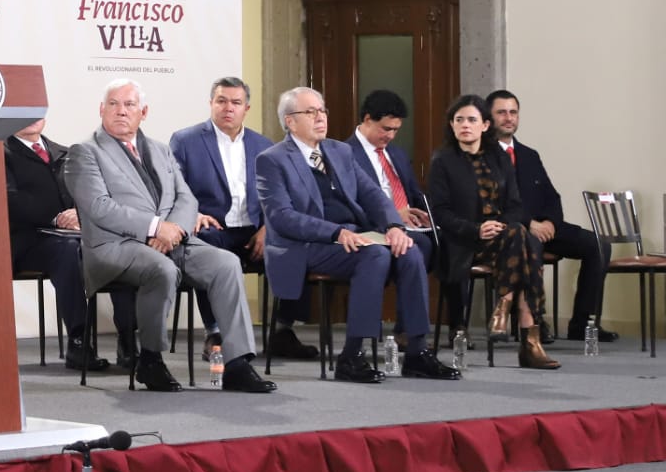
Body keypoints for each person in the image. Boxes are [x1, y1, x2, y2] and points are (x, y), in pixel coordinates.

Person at [62, 79, 275, 393]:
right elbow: (99, 207)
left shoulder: (160, 150)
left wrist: (173, 230)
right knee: (161, 269)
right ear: (101, 109)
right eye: (114, 104)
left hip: (171, 240)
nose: (121, 111)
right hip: (115, 246)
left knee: (226, 263)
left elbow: (186, 198)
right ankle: (150, 359)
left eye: (130, 105)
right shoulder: (85, 152)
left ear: (143, 112)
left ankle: (237, 363)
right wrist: (154, 227)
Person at [255, 87, 458, 384]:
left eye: (322, 110)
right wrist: (336, 233)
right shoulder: (272, 160)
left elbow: (373, 195)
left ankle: (417, 352)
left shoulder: (339, 151)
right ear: (290, 121)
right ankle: (352, 356)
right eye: (310, 112)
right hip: (306, 244)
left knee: (409, 249)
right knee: (374, 254)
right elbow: (282, 218)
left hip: (354, 236)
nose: (320, 117)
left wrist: (394, 227)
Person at [169, 76, 317, 360]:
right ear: (211, 104)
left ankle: (283, 330)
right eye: (221, 101)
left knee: (298, 243)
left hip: (253, 229)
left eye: (236, 103)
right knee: (206, 248)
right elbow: (174, 188)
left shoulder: (263, 145)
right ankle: (215, 332)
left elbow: (280, 196)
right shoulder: (185, 141)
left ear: (246, 108)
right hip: (212, 227)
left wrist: (268, 228)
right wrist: (194, 214)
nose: (228, 108)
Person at [426, 95, 560, 369]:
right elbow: (440, 212)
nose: (465, 125)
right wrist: (478, 229)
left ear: (485, 125)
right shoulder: (443, 161)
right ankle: (529, 341)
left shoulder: (499, 158)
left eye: (471, 120)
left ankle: (505, 302)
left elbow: (515, 206)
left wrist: (498, 226)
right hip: (464, 242)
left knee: (518, 235)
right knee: (525, 242)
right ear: (451, 125)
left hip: (503, 238)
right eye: (459, 120)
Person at [486, 89, 615, 343]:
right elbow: (492, 203)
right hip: (512, 231)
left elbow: (552, 196)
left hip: (544, 227)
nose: (508, 118)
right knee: (530, 244)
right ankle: (534, 321)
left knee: (598, 246)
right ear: (489, 118)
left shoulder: (529, 155)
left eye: (513, 112)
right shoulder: (483, 156)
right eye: (501, 112)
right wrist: (529, 224)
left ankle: (582, 323)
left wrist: (550, 223)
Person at [6, 118, 108, 371]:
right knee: (66, 252)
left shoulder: (66, 152)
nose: (31, 118)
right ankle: (79, 340)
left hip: (73, 237)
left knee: (118, 247)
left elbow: (91, 193)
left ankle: (129, 341)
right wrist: (55, 218)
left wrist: (79, 213)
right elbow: (9, 201)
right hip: (27, 242)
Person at [346, 91, 439, 291]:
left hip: (410, 225)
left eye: (396, 130)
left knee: (451, 241)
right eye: (386, 129)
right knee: (420, 245)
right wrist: (394, 217)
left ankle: (454, 310)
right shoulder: (345, 154)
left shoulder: (397, 153)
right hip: (374, 226)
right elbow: (352, 202)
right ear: (367, 119)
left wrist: (426, 216)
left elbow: (415, 193)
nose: (391, 136)